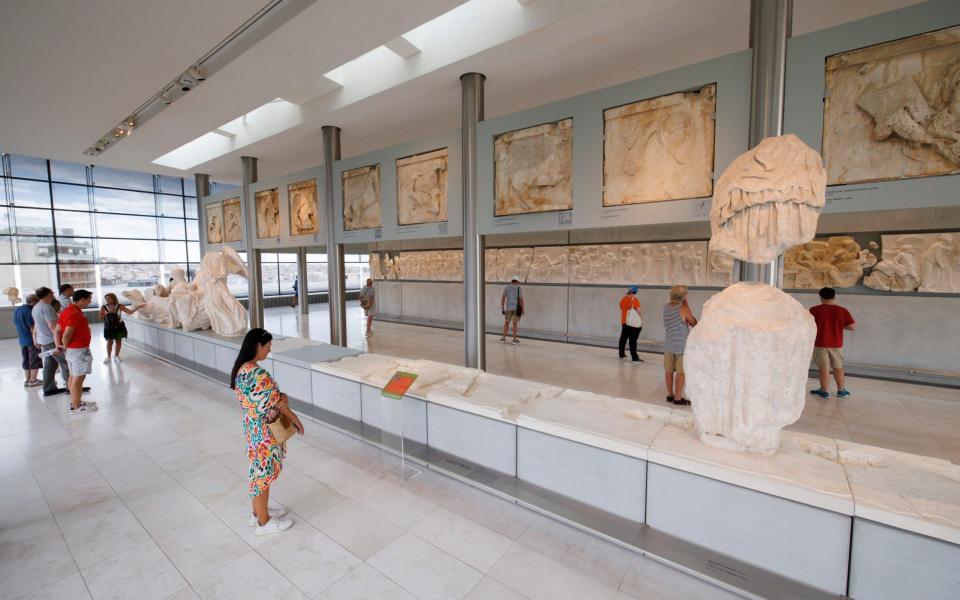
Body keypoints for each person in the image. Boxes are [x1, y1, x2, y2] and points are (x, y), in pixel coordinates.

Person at [231, 328, 303, 536]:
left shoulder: (242, 369)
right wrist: (295, 419)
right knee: (263, 473)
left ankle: (258, 513)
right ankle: (264, 523)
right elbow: (277, 403)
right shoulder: (257, 373)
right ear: (257, 346)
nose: (269, 351)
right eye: (268, 346)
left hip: (252, 427)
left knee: (258, 471)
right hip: (264, 432)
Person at [809, 287, 856, 399]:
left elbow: (806, 325)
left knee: (824, 368)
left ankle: (824, 391)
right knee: (838, 367)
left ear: (820, 297)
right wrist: (838, 325)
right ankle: (841, 390)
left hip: (820, 343)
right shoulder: (842, 310)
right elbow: (852, 327)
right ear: (834, 296)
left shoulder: (814, 310)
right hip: (836, 344)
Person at [56, 289, 97, 414]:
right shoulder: (74, 313)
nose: (90, 302)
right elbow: (67, 334)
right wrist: (65, 346)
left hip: (73, 350)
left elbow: (57, 330)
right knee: (78, 378)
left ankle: (76, 401)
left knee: (74, 376)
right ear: (82, 300)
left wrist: (61, 345)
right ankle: (76, 407)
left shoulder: (67, 311)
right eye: (89, 300)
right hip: (78, 350)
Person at [663, 285, 697, 406]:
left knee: (669, 370)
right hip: (681, 345)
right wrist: (687, 307)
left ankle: (670, 394)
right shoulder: (683, 309)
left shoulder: (666, 307)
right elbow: (693, 322)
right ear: (683, 296)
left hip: (668, 344)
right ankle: (678, 398)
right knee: (681, 372)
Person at [33, 287, 69, 397]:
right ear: (48, 294)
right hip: (51, 340)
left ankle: (49, 388)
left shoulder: (36, 307)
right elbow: (53, 326)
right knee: (66, 363)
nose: (53, 294)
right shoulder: (47, 307)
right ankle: (71, 386)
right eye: (52, 292)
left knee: (50, 365)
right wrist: (61, 341)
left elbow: (38, 326)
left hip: (43, 340)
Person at [99, 292, 136, 364]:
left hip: (119, 326)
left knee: (118, 341)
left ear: (114, 298)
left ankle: (117, 356)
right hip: (109, 327)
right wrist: (107, 313)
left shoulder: (120, 306)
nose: (108, 300)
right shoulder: (104, 307)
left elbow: (130, 312)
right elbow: (100, 318)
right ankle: (108, 357)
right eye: (106, 299)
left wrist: (137, 307)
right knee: (109, 342)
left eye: (109, 298)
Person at [15, 294, 42, 387]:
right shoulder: (29, 311)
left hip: (22, 340)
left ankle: (28, 379)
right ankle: (33, 380)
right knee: (34, 360)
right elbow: (32, 328)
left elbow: (15, 323)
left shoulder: (18, 309)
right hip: (31, 340)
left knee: (26, 360)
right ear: (34, 302)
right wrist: (37, 340)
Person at [618, 286, 644, 363]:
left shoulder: (623, 299)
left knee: (623, 338)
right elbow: (639, 311)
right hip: (633, 323)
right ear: (635, 292)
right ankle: (635, 358)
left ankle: (621, 354)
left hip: (624, 321)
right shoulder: (634, 300)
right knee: (633, 340)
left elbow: (621, 307)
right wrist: (642, 320)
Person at [500, 276, 524, 344]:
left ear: (512, 281)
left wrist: (502, 308)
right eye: (518, 282)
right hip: (516, 309)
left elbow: (503, 298)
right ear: (516, 281)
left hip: (508, 308)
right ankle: (514, 339)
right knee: (515, 324)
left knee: (506, 323)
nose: (518, 283)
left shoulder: (506, 287)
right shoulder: (519, 288)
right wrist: (522, 309)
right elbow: (520, 300)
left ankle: (503, 338)